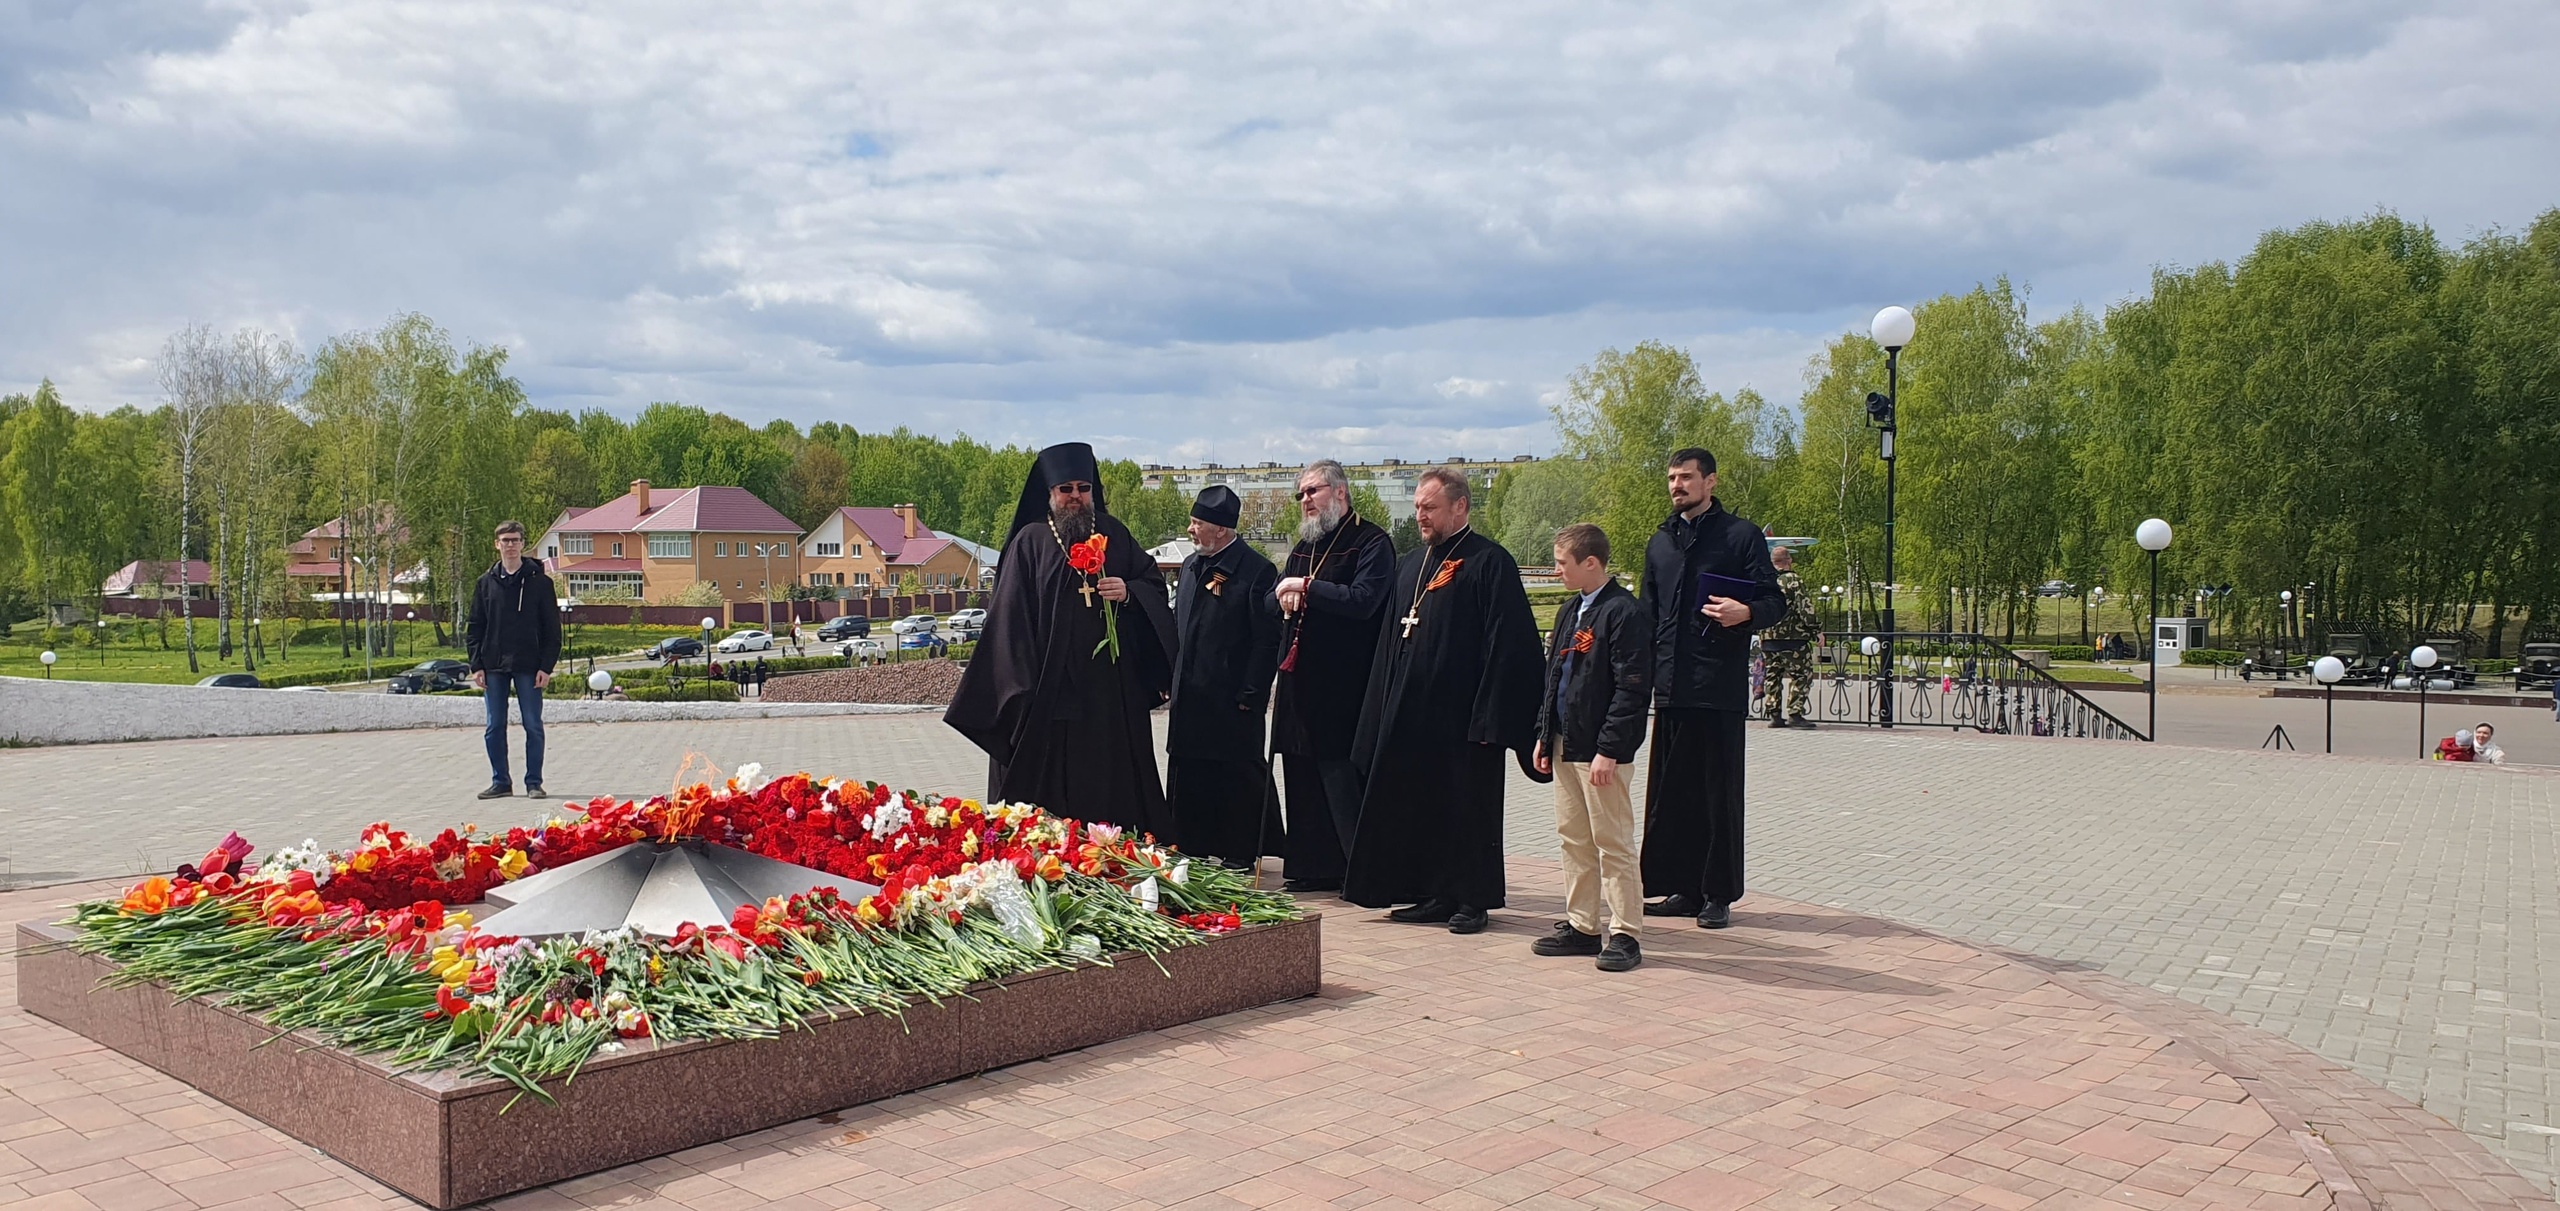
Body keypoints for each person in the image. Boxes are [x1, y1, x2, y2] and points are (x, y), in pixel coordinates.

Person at [1342, 466, 1546, 934]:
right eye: (1417, 507)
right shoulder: (1411, 565)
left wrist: (1492, 719)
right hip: (1412, 716)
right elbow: (1389, 641)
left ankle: (1473, 900)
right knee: (1421, 806)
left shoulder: (1490, 562)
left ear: (1460, 506)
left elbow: (1508, 645)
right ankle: (1433, 893)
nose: (1421, 516)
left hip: (1465, 718)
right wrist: (1379, 713)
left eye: (1430, 507)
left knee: (1467, 809)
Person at [945, 442, 1179, 835]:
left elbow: (1153, 586)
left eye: (1082, 488)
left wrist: (1129, 592)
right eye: (1066, 489)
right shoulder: (1031, 543)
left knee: (1116, 791)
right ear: (1050, 493)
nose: (1075, 497)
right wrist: (1018, 695)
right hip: (1051, 699)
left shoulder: (1114, 535)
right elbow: (1009, 624)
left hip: (1111, 700)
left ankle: (1118, 855)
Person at [1638, 447, 1784, 930]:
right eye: (1672, 478)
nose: (1677, 485)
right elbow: (1648, 613)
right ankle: (1681, 887)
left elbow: (1772, 600)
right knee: (1672, 793)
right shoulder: (1661, 541)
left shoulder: (1740, 537)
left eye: (1686, 477)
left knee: (1717, 793)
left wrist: (1746, 613)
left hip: (1717, 687)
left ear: (1711, 482)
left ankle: (1717, 893)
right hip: (1671, 687)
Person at [1268, 460, 1396, 892]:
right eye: (1301, 493)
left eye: (1313, 491)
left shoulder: (1371, 541)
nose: (1305, 500)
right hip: (1300, 681)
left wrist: (1307, 589)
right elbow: (1275, 599)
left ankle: (1360, 872)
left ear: (1340, 492)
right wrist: (1283, 598)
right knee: (1301, 777)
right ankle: (1312, 866)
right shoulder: (1304, 547)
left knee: (1341, 780)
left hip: (1346, 683)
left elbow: (1364, 599)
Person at [1530, 523, 1653, 973]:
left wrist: (1611, 749)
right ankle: (1583, 925)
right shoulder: (1569, 611)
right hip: (1567, 742)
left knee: (1612, 841)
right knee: (1574, 838)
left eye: (1562, 563)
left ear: (1591, 563)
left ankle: (1625, 932)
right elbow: (1554, 678)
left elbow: (1632, 688)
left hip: (1601, 752)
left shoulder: (1623, 612)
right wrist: (1545, 734)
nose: (1556, 570)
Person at [1166, 485, 1285, 868]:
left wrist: (1252, 692)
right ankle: (1192, 846)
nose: (1190, 529)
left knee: (1233, 778)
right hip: (1190, 698)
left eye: (1197, 523)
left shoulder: (1255, 571)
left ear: (1220, 528)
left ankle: (1238, 851)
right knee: (1191, 777)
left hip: (1232, 700)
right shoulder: (1189, 567)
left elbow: (1266, 641)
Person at [465, 520, 562, 800]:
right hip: (493, 665)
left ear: (522, 544)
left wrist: (546, 666)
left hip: (530, 666)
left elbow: (552, 630)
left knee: (533, 724)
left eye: (515, 540)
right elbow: (475, 626)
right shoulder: (485, 584)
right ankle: (501, 782)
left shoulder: (540, 582)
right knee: (494, 725)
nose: (510, 545)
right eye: (505, 540)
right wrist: (476, 665)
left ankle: (534, 783)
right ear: (497, 544)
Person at [1758, 544, 1818, 728]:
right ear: (1789, 561)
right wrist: (1815, 629)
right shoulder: (1792, 580)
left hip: (1768, 637)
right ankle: (1795, 713)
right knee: (1801, 674)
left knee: (1772, 675)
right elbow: (1804, 607)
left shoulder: (1764, 579)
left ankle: (1774, 714)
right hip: (1793, 638)